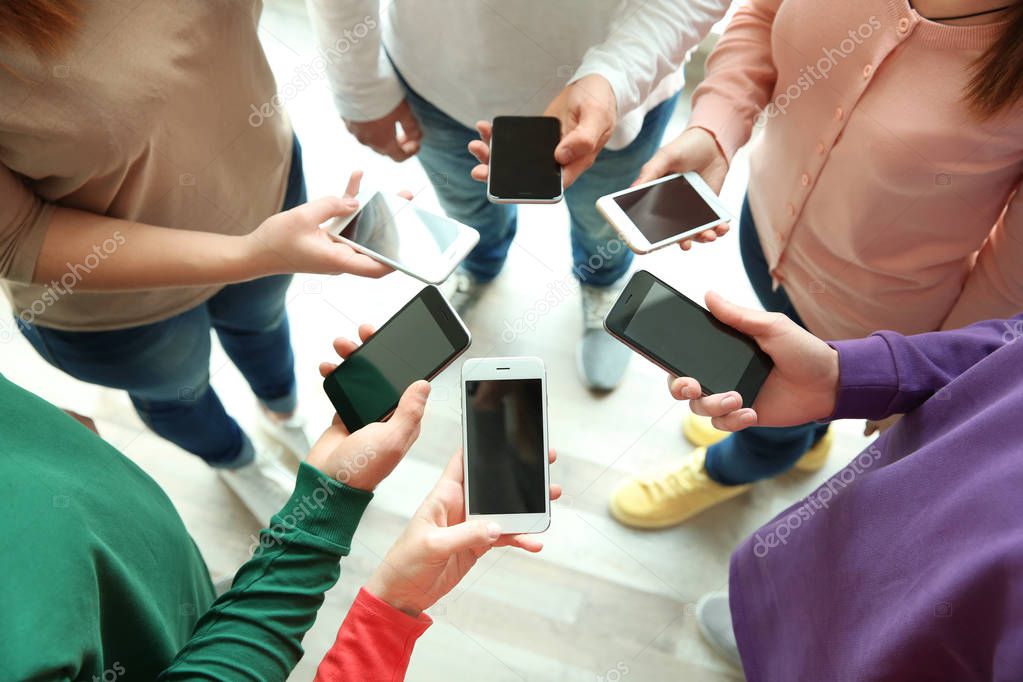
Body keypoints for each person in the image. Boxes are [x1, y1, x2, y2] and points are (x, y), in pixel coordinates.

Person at [609, 0, 1023, 528]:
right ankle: (807, 436)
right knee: (768, 384)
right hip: (762, 233)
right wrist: (715, 127)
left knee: (770, 419)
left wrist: (926, 376)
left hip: (875, 322)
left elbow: (1010, 275)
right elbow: (760, 14)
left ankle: (732, 470)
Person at [0, 1, 392, 521]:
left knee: (265, 327)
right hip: (117, 303)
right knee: (179, 395)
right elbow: (19, 232)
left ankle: (282, 410)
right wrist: (249, 255)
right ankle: (236, 459)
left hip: (264, 197)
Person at [0, 327, 560, 680]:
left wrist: (55, 441)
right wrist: (327, 508)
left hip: (168, 600)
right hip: (171, 638)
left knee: (197, 609)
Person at [307, 0, 731, 391]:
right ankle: (479, 265)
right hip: (439, 82)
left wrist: (616, 76)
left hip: (625, 88)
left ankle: (601, 282)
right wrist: (359, 87)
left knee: (608, 221)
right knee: (466, 213)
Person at [657, 292, 1023, 679]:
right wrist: (844, 374)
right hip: (898, 495)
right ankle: (772, 644)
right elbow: (1011, 347)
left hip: (948, 636)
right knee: (807, 599)